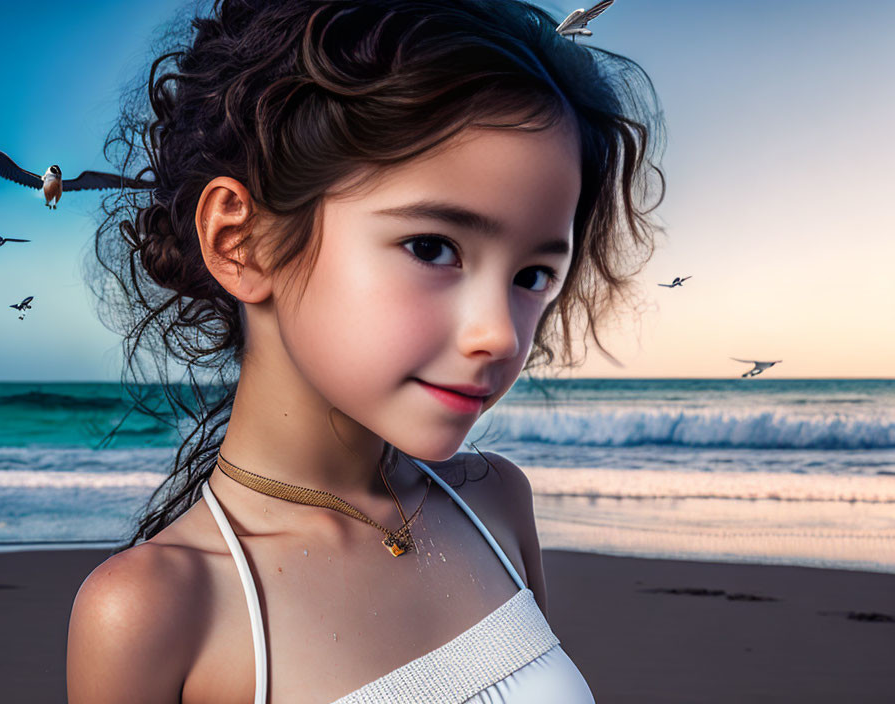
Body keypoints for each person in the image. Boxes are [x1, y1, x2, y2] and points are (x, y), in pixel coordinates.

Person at [67, 0, 663, 701]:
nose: (500, 335)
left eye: (532, 276)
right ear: (240, 242)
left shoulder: (497, 504)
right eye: (433, 247)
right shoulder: (158, 611)